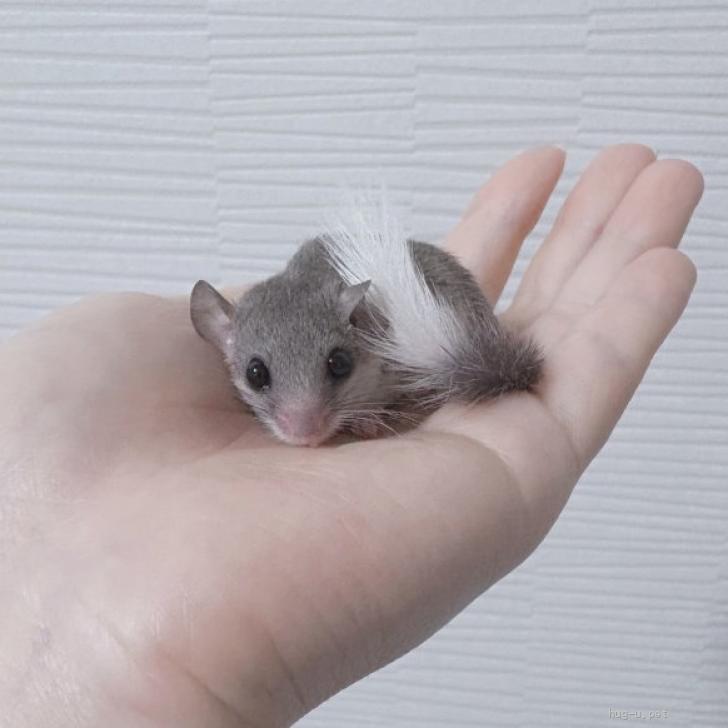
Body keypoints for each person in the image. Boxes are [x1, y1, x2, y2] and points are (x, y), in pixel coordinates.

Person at [0, 145, 702, 727]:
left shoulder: (360, 311)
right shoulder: (250, 327)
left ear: (358, 324)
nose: (302, 423)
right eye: (261, 379)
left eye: (335, 370)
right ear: (222, 337)